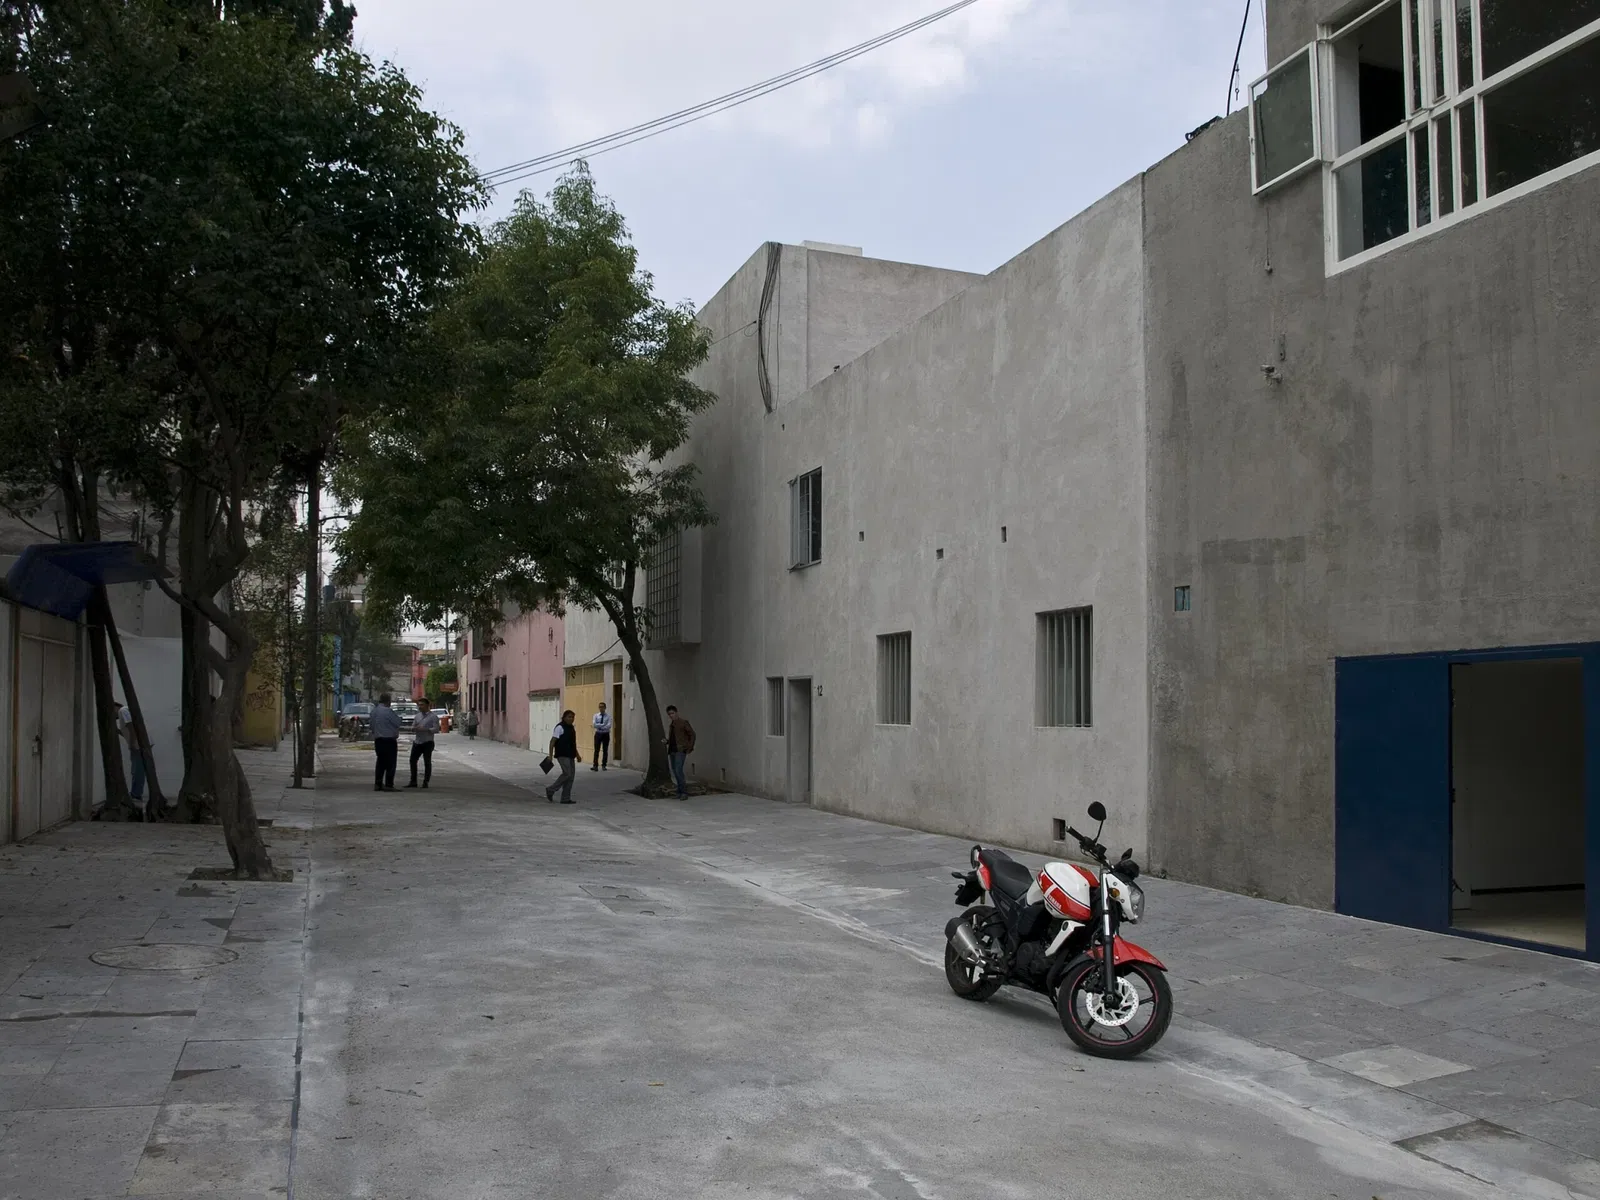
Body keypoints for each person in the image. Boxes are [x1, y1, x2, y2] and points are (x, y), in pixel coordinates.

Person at [116, 703, 147, 813]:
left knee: (137, 769)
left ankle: (136, 794)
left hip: (138, 744)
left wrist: (132, 743)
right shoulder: (124, 711)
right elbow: (128, 730)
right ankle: (136, 793)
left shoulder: (123, 710)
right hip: (139, 743)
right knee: (137, 769)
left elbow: (131, 726)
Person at [545, 709, 580, 804]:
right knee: (567, 773)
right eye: (569, 717)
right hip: (562, 754)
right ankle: (551, 789)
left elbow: (573, 743)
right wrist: (550, 755)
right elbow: (552, 741)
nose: (571, 719)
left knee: (571, 777)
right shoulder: (560, 727)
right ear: (564, 718)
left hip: (571, 755)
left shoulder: (571, 728)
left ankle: (565, 798)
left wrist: (577, 755)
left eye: (572, 717)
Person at [371, 693, 401, 791]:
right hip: (389, 740)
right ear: (388, 701)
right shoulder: (388, 711)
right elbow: (398, 723)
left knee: (380, 762)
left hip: (378, 740)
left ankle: (378, 783)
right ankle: (389, 784)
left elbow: (371, 725)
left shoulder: (374, 711)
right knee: (390, 763)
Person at [665, 704, 695, 801]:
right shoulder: (672, 725)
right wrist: (667, 741)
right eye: (669, 714)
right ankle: (679, 791)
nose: (671, 715)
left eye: (672, 713)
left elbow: (692, 734)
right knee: (675, 771)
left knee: (678, 771)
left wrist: (689, 747)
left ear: (676, 713)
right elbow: (674, 739)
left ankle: (683, 792)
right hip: (672, 750)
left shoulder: (683, 723)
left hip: (680, 751)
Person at [407, 700, 440, 789]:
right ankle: (413, 781)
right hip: (417, 741)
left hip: (428, 742)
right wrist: (414, 728)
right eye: (419, 705)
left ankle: (426, 781)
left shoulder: (433, 717)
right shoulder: (417, 716)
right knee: (412, 760)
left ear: (427, 705)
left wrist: (426, 729)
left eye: (422, 705)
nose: (420, 707)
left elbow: (436, 729)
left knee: (427, 762)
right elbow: (412, 727)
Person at [591, 701, 612, 771]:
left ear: (605, 708)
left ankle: (604, 765)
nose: (601, 708)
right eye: (600, 707)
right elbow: (594, 725)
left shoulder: (608, 716)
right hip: (598, 734)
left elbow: (609, 726)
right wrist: (603, 725)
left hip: (605, 734)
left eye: (602, 707)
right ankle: (595, 765)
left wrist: (600, 726)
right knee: (596, 750)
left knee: (605, 750)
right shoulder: (596, 715)